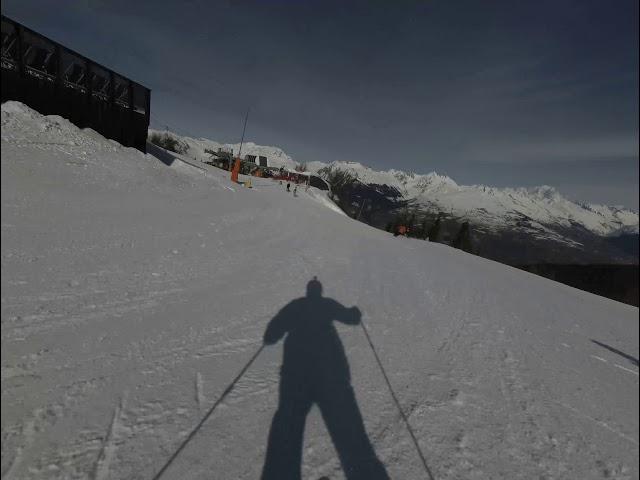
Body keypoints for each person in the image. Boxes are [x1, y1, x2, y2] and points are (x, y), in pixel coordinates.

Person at [261, 278, 389, 480]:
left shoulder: (296, 305)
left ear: (308, 291)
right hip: (329, 372)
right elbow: (349, 317)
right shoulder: (326, 304)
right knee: (345, 424)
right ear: (319, 291)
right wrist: (354, 313)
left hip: (296, 373)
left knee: (288, 423)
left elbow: (275, 326)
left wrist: (271, 335)